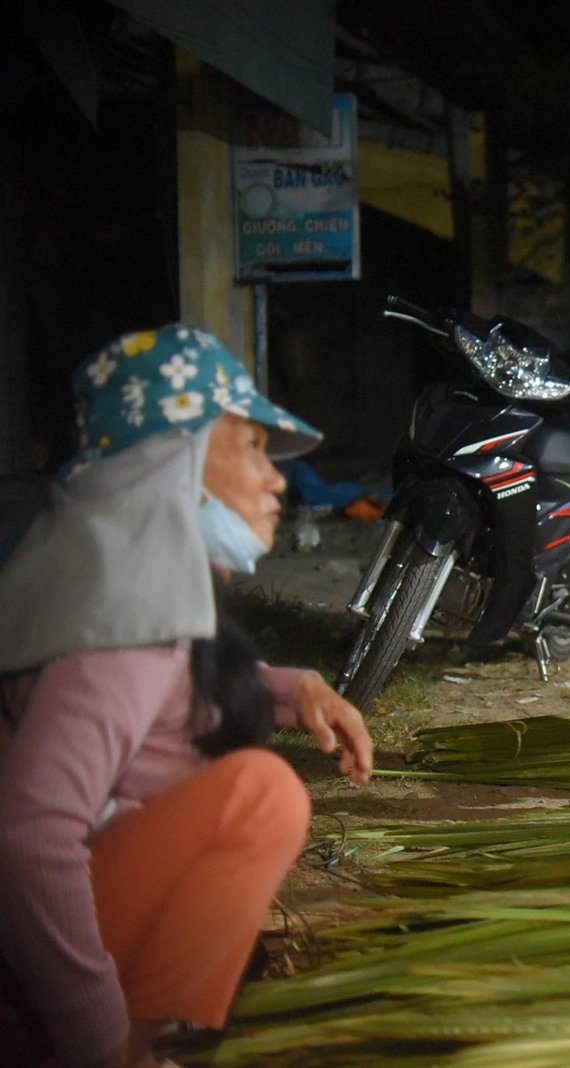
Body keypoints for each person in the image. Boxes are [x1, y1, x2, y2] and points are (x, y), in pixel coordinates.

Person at [0, 324, 375, 1067]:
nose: (278, 481)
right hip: (30, 985)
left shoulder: (114, 587)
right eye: (253, 449)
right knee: (261, 796)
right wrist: (100, 1042)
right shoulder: (126, 625)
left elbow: (168, 696)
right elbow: (29, 836)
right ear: (175, 466)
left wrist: (289, 688)